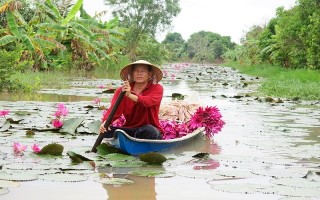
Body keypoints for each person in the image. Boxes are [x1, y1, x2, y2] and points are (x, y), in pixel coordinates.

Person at [99, 60, 164, 140]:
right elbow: (115, 110)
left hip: (150, 129)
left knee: (150, 131)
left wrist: (129, 95)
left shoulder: (157, 88)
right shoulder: (122, 90)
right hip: (129, 129)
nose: (139, 73)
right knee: (106, 131)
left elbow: (147, 102)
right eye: (136, 71)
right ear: (132, 74)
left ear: (149, 74)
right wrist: (105, 122)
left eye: (143, 71)